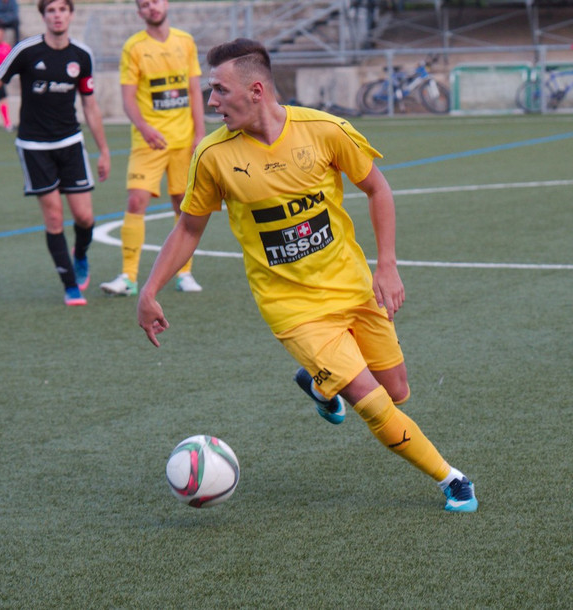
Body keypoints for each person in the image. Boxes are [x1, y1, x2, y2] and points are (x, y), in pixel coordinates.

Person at [137, 38, 478, 512]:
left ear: (256, 90)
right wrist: (150, 289)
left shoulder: (324, 130)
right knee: (371, 399)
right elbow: (189, 226)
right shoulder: (212, 155)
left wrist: (387, 264)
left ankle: (318, 383)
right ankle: (451, 478)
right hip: (292, 307)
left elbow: (377, 189)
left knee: (397, 390)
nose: (210, 102)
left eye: (218, 89)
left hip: (352, 284)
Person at [0, 0, 111, 307]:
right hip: (34, 146)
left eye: (62, 10)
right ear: (43, 16)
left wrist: (104, 150)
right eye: (51, 10)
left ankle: (80, 255)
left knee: (84, 216)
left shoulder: (81, 55)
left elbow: (90, 106)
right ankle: (70, 286)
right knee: (54, 217)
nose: (57, 15)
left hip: (70, 143)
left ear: (70, 14)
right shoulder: (26, 51)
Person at [100, 0, 205, 297]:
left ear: (166, 4)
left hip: (183, 141)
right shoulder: (133, 47)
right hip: (149, 142)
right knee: (136, 202)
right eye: (144, 4)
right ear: (139, 12)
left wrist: (200, 133)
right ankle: (128, 277)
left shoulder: (185, 42)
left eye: (155, 1)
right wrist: (146, 129)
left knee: (183, 205)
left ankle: (185, 274)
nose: (152, 7)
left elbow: (195, 90)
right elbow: (128, 99)